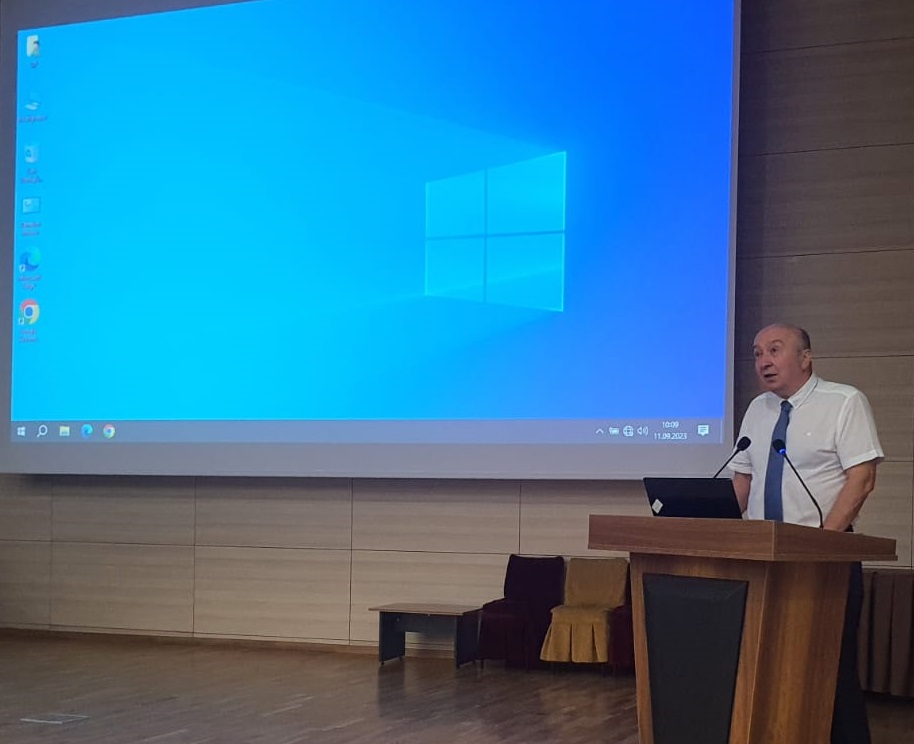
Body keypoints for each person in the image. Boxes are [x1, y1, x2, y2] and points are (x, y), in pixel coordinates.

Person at [729, 323, 883, 744]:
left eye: (774, 350)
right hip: (763, 561)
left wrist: (822, 545)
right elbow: (743, 481)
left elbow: (862, 478)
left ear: (805, 356)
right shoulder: (757, 409)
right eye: (757, 352)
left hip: (824, 559)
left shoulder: (844, 401)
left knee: (828, 667)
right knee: (766, 664)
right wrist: (710, 524)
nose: (763, 361)